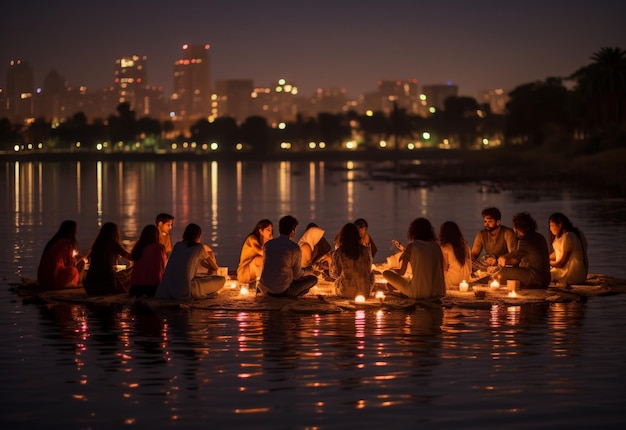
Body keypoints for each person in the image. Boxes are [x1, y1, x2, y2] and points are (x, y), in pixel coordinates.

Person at [155, 223, 225, 299]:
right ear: (198, 236)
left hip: (168, 288)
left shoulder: (178, 245)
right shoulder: (199, 247)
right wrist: (207, 265)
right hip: (186, 289)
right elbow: (215, 267)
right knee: (221, 279)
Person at [382, 217, 445, 300]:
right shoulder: (436, 247)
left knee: (386, 273)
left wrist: (391, 269)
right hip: (438, 292)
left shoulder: (412, 247)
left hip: (418, 293)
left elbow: (401, 272)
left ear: (413, 231)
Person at [258, 215, 318, 297]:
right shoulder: (294, 248)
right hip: (282, 291)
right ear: (293, 231)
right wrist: (310, 269)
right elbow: (297, 274)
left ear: (280, 230)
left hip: (264, 289)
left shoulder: (267, 245)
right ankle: (291, 296)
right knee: (313, 279)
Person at [498, 212, 551, 289]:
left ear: (517, 228)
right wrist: (504, 256)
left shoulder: (524, 240)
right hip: (546, 279)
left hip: (535, 277)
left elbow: (514, 261)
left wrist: (503, 262)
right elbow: (516, 252)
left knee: (502, 272)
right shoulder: (540, 237)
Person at [83, 222, 133, 295]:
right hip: (106, 284)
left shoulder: (96, 245)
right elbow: (130, 257)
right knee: (132, 270)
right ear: (115, 233)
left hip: (90, 284)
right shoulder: (112, 244)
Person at [330, 223, 374, 298]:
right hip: (364, 291)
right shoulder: (365, 250)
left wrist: (330, 263)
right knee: (372, 274)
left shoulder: (339, 252)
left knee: (338, 280)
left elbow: (335, 274)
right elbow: (368, 269)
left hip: (345, 292)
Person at [36, 220, 85, 289]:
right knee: (74, 271)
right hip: (52, 280)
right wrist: (78, 259)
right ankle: (74, 283)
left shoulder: (53, 242)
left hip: (42, 280)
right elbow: (70, 264)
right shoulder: (66, 244)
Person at [548, 212, 589, 285]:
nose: (550, 229)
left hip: (572, 275)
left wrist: (545, 262)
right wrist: (544, 258)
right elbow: (558, 253)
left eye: (551, 225)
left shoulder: (568, 237)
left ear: (560, 225)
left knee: (542, 275)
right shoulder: (573, 233)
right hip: (581, 274)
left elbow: (561, 263)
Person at [129, 224, 167, 297]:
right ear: (157, 235)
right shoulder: (160, 248)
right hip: (152, 288)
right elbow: (162, 268)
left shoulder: (138, 248)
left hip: (135, 288)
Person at [236, 219, 273, 284]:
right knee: (260, 259)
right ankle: (262, 283)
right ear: (261, 231)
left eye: (271, 230)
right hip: (244, 273)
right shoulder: (252, 239)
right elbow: (260, 251)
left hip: (253, 273)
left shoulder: (265, 242)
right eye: (268, 230)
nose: (271, 233)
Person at [438, 221, 472, 288]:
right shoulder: (465, 245)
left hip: (452, 280)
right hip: (466, 280)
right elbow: (470, 266)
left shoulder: (445, 248)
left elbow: (444, 268)